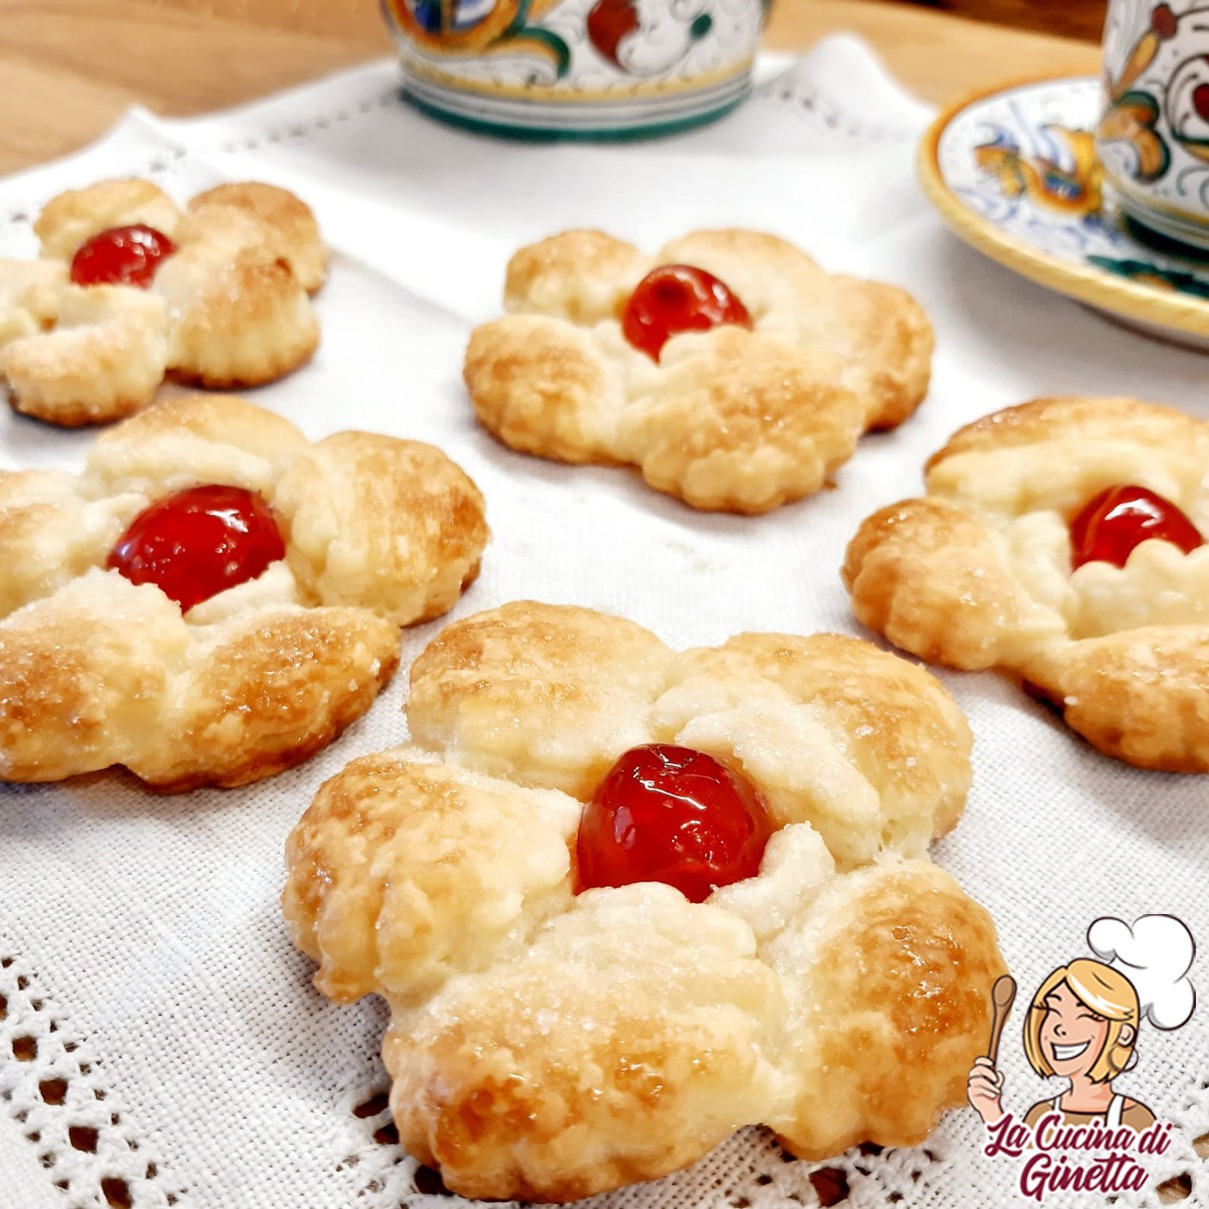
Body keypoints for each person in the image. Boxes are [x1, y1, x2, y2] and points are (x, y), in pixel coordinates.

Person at [968, 958, 1155, 1131]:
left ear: (1124, 1034)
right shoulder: (1041, 1115)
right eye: (1053, 1010)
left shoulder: (1135, 1119)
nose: (1060, 1027)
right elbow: (1015, 1155)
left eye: (1086, 1015)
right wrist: (990, 1109)